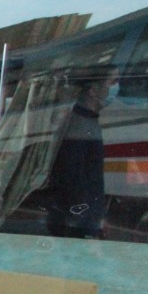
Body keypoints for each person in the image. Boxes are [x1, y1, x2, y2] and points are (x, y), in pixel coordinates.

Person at [46, 67, 118, 239]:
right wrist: (91, 222)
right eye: (112, 82)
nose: (116, 88)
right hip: (78, 225)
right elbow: (74, 181)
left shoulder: (88, 121)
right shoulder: (79, 129)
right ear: (93, 91)